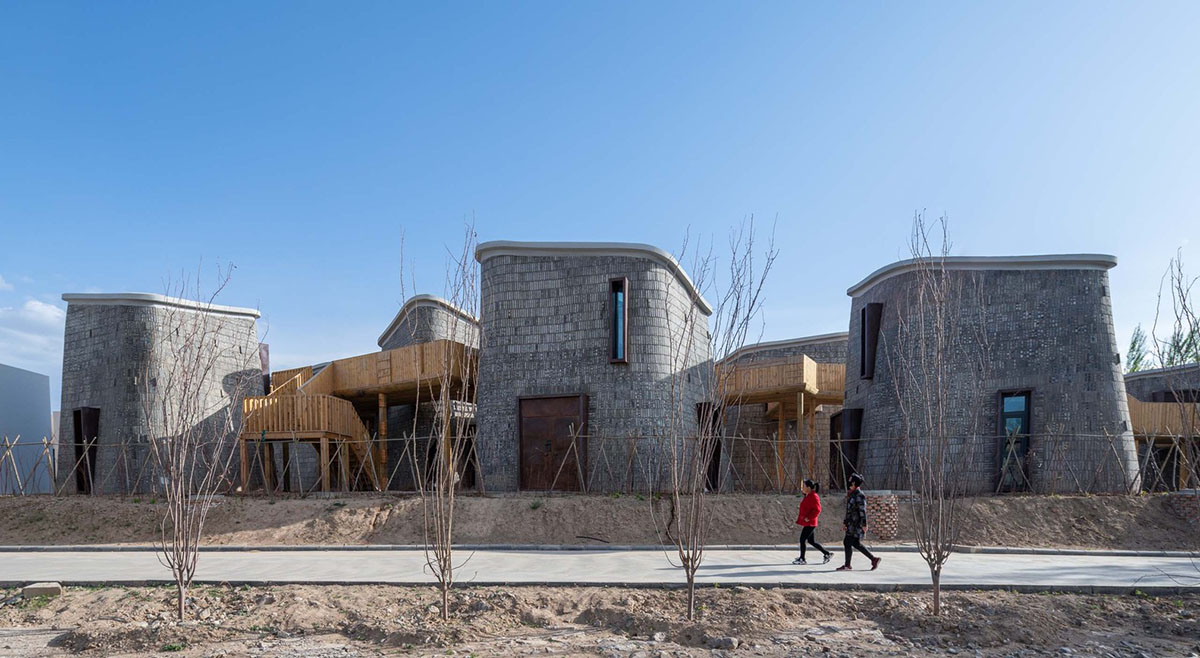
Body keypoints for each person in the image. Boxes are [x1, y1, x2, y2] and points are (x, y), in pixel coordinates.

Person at [836, 473, 881, 571]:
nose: (848, 483)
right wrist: (845, 522)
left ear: (853, 483)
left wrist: (864, 524)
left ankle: (847, 565)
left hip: (856, 524)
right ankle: (874, 559)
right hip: (851, 523)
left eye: (850, 482)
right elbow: (849, 511)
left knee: (847, 542)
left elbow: (862, 510)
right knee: (855, 543)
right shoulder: (852, 494)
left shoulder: (859, 495)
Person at [792, 479, 832, 565]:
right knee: (811, 541)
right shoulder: (808, 495)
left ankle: (802, 559)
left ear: (809, 488)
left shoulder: (814, 496)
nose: (802, 488)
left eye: (804, 486)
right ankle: (827, 553)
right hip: (808, 522)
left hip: (810, 523)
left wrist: (809, 518)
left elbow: (818, 510)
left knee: (802, 539)